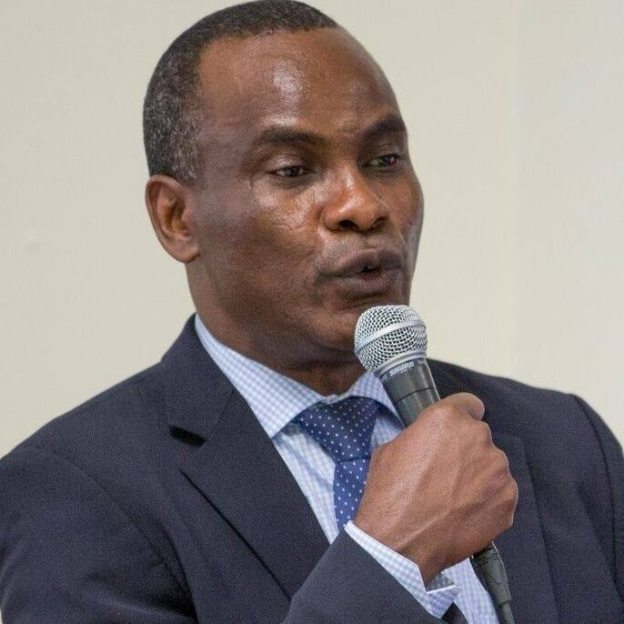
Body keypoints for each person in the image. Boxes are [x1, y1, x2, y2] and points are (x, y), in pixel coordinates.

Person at [0, 1, 622, 623]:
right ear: (177, 218)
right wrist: (390, 559)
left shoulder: (566, 444)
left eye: (384, 160)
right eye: (293, 170)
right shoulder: (71, 495)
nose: (362, 205)